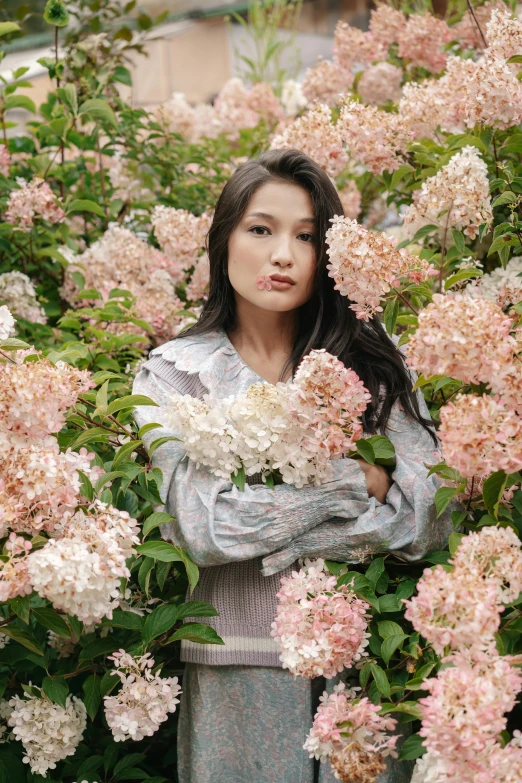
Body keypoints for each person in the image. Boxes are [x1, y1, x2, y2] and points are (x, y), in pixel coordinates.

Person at [133, 149, 452, 783]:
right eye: (261, 229)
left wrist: (277, 523)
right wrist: (354, 481)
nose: (283, 254)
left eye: (306, 236)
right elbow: (208, 529)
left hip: (365, 666)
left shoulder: (371, 367)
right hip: (237, 671)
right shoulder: (172, 373)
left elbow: (429, 518)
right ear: (224, 240)